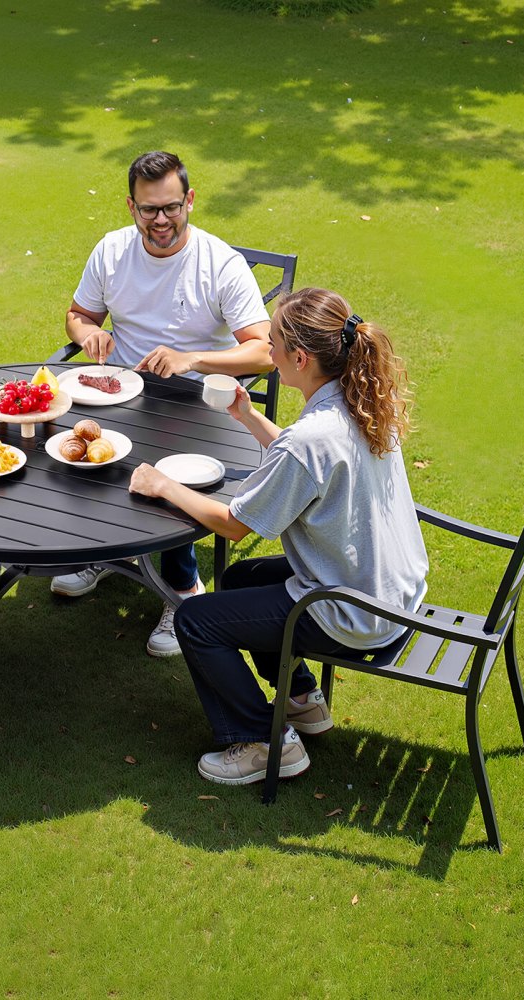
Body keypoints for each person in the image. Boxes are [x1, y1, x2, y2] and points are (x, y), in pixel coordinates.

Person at [128, 287, 429, 786]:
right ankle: (300, 699)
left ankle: (264, 743)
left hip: (354, 611)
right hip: (391, 589)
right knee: (242, 578)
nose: (266, 353)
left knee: (197, 621)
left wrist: (163, 484)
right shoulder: (362, 403)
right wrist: (248, 417)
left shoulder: (311, 438)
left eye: (272, 344)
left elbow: (234, 523)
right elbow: (302, 465)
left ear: (300, 357)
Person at [52, 150, 274, 657]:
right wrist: (89, 335)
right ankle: (98, 552)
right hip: (119, 390)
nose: (160, 220)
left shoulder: (220, 263)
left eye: (171, 207)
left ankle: (182, 591)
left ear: (189, 201)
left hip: (197, 400)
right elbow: (78, 314)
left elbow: (262, 351)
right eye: (148, 209)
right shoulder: (110, 251)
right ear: (131, 206)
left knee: (169, 465)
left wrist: (192, 359)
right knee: (76, 447)